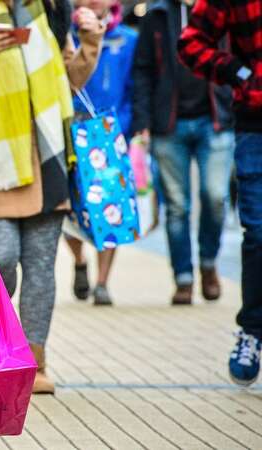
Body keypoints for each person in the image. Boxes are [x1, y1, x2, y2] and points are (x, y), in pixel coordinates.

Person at [0, 0, 103, 393]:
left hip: (48, 162)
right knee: (1, 256)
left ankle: (34, 364)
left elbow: (70, 79)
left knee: (42, 267)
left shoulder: (48, 11)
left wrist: (90, 42)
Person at [179, 0, 262, 386]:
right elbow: (191, 42)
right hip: (255, 125)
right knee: (259, 233)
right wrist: (240, 72)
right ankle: (252, 331)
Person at [134, 0, 234, 305]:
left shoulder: (222, 10)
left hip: (216, 119)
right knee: (177, 207)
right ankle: (183, 278)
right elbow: (143, 70)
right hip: (169, 123)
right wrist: (143, 122)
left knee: (215, 196)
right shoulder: (157, 14)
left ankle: (208, 262)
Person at [65, 0, 137, 306]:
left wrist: (129, 127)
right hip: (71, 128)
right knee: (69, 205)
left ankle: (103, 282)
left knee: (112, 204)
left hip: (112, 131)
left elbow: (137, 86)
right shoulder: (65, 33)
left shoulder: (128, 38)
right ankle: (79, 260)